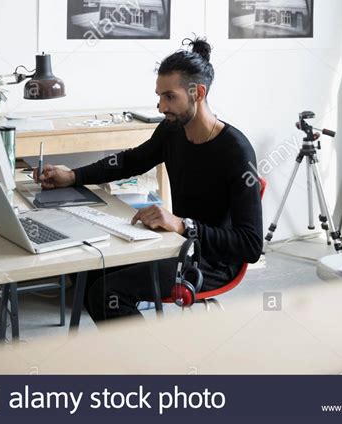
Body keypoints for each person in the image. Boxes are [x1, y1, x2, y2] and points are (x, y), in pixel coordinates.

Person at [35, 36, 263, 321]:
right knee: (87, 270)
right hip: (174, 244)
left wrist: (183, 225)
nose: (160, 106)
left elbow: (250, 246)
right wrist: (73, 176)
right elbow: (130, 161)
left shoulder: (236, 152)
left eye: (170, 97)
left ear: (198, 93)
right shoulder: (173, 130)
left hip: (211, 263)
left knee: (107, 292)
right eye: (159, 96)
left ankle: (146, 360)